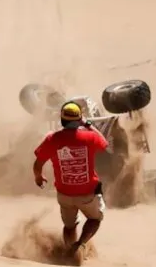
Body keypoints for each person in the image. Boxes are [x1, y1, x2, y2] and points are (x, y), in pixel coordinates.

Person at [33, 101, 109, 255]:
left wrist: (38, 177)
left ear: (62, 120)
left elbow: (38, 163)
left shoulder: (52, 139)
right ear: (79, 119)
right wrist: (87, 124)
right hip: (87, 193)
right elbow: (105, 143)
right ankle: (80, 245)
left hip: (65, 194)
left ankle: (70, 252)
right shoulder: (90, 137)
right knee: (94, 219)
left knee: (69, 227)